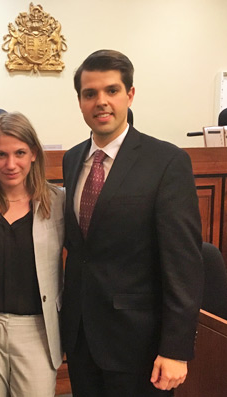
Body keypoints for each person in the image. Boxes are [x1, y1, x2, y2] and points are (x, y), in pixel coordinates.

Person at [61, 49, 203, 396]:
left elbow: (183, 264)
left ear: (130, 94)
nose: (101, 102)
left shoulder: (167, 161)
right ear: (79, 101)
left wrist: (176, 349)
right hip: (82, 340)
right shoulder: (72, 159)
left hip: (139, 345)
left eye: (111, 90)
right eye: (90, 93)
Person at [0, 112, 65, 396]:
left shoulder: (58, 202)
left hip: (36, 328)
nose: (10, 164)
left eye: (20, 153)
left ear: (33, 154)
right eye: (1, 154)